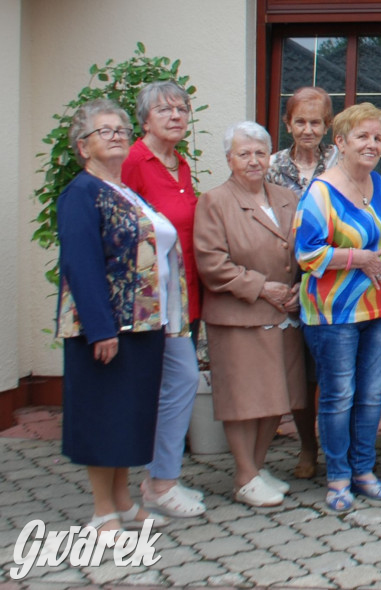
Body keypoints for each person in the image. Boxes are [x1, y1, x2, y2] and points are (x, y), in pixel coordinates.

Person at [56, 98, 189, 533]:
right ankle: (101, 512)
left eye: (119, 130)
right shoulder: (81, 193)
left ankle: (123, 501)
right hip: (107, 327)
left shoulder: (124, 191)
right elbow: (81, 264)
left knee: (129, 416)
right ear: (83, 146)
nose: (115, 136)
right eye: (104, 131)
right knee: (103, 416)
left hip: (144, 324)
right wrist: (100, 329)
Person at [193, 122, 306, 507]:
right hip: (240, 314)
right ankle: (243, 474)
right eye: (244, 154)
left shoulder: (285, 198)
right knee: (243, 401)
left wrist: (298, 286)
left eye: (260, 153)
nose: (253, 160)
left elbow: (303, 248)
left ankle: (255, 471)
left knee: (278, 396)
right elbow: (212, 263)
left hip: (285, 312)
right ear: (229, 159)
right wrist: (261, 286)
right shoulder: (215, 201)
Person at [294, 102, 381, 512]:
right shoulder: (321, 190)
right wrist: (360, 259)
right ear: (340, 141)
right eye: (362, 137)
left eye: (377, 138)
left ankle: (364, 471)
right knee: (338, 396)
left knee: (372, 396)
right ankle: (337, 478)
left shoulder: (377, 183)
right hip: (333, 313)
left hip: (376, 309)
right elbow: (306, 253)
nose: (371, 144)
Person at [122, 81, 204, 518]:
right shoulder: (135, 161)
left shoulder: (180, 163)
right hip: (148, 302)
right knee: (176, 383)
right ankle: (158, 482)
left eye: (182, 109)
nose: (175, 116)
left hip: (183, 296)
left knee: (177, 384)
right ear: (145, 118)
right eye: (164, 110)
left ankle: (160, 478)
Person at [266, 87, 336, 480]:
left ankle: (334, 448)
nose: (308, 130)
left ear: (328, 125)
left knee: (328, 370)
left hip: (331, 278)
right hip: (286, 283)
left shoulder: (340, 160)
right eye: (300, 122)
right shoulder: (272, 165)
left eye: (316, 122)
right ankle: (307, 448)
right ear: (287, 124)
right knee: (298, 372)